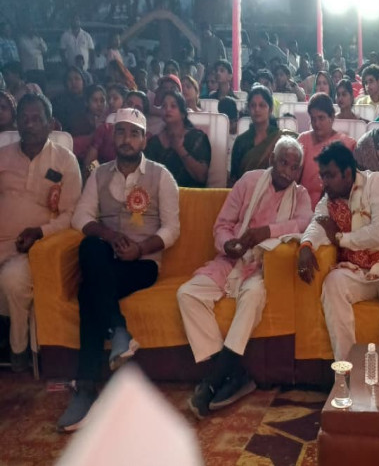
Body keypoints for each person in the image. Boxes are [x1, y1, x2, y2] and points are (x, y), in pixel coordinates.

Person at [59, 108, 181, 431]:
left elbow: (172, 229)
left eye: (134, 134)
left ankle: (86, 388)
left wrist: (140, 249)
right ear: (113, 137)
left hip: (142, 264)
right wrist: (110, 236)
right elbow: (81, 217)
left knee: (88, 291)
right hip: (107, 257)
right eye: (121, 132)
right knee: (90, 246)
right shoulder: (99, 175)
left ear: (144, 139)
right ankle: (118, 331)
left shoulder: (161, 176)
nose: (127, 140)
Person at [179, 137, 312, 417]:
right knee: (187, 294)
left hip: (263, 267)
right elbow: (222, 225)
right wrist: (227, 244)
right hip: (230, 261)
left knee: (253, 296)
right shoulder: (249, 181)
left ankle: (214, 380)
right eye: (283, 163)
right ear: (271, 161)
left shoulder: (300, 196)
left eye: (294, 167)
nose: (288, 171)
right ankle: (234, 373)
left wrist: (267, 231)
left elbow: (304, 224)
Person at [297, 142, 379, 361]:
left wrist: (340, 238)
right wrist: (306, 246)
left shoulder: (376, 183)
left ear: (347, 173)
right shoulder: (328, 201)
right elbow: (317, 224)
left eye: (330, 175)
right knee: (332, 284)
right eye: (322, 176)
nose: (324, 182)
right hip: (358, 270)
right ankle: (346, 367)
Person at [0, 94, 81, 372]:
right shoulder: (3, 155)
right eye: (24, 118)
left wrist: (40, 232)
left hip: (34, 248)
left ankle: (18, 348)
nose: (30, 124)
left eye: (37, 119)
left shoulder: (65, 161)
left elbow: (71, 213)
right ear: (17, 122)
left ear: (51, 123)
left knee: (13, 280)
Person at [298, 93, 357, 206]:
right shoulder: (303, 140)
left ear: (332, 117)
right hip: (302, 205)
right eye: (313, 119)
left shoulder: (347, 144)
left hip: (334, 207)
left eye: (321, 118)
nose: (316, 124)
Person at [230, 86, 297, 184]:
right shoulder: (241, 141)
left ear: (270, 109)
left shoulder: (280, 138)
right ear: (248, 109)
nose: (257, 109)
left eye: (262, 105)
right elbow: (234, 177)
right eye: (253, 105)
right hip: (246, 190)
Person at [145, 91, 211, 188]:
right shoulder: (154, 142)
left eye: (173, 106)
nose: (168, 109)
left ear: (183, 114)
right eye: (164, 106)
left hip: (191, 194)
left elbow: (201, 177)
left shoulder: (197, 137)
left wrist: (180, 149)